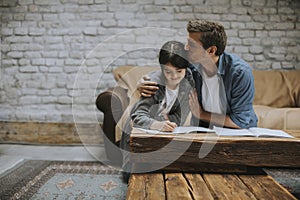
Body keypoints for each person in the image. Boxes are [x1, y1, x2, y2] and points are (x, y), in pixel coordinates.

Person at [138, 19, 258, 129]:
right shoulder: (192, 66)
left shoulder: (239, 73)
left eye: (192, 45)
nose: (186, 48)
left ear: (211, 50)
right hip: (202, 130)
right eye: (187, 42)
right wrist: (143, 82)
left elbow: (240, 121)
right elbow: (170, 69)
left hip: (237, 133)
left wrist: (201, 114)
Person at [120, 40, 194, 182]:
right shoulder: (153, 83)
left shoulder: (188, 81)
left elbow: (178, 118)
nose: (174, 76)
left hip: (163, 131)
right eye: (168, 71)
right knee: (134, 177)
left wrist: (164, 124)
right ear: (161, 68)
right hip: (139, 132)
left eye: (179, 71)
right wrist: (158, 124)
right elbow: (137, 117)